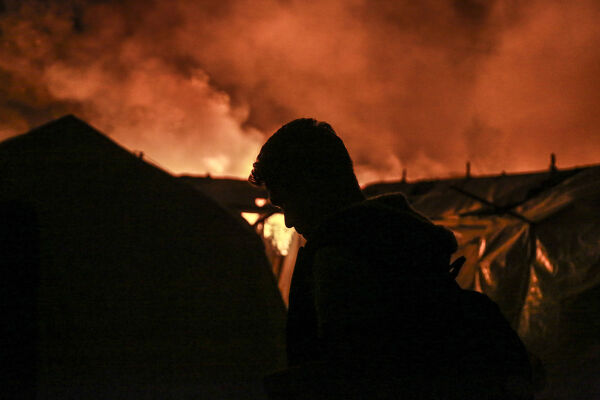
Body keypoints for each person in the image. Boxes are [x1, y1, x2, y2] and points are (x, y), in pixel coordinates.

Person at [249, 118, 533, 399]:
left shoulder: (339, 256)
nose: (287, 222)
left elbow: (356, 375)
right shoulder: (407, 245)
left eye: (286, 203)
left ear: (312, 187)